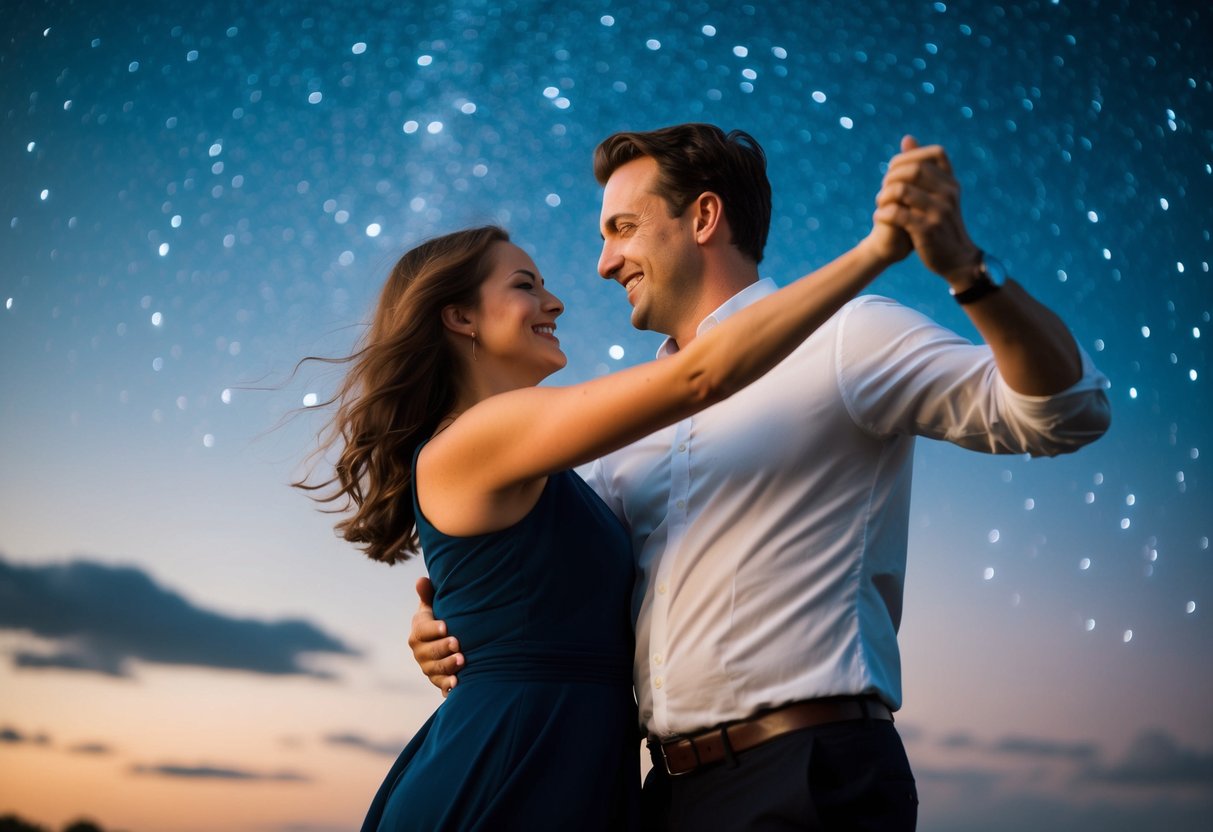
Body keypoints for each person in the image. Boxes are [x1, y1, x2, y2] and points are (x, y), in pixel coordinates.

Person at [409, 125, 1112, 830]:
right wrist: (452, 626)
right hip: (662, 797)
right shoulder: (616, 439)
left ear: (705, 217)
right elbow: (563, 581)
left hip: (806, 774)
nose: (601, 263)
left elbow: (1065, 413)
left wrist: (967, 271)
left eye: (622, 228)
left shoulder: (847, 337)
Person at [300, 140, 916, 830]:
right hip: (511, 764)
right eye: (524, 285)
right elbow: (698, 377)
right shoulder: (479, 436)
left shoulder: (553, 470)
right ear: (461, 317)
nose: (556, 300)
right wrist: (875, 251)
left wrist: (449, 628)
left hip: (571, 766)